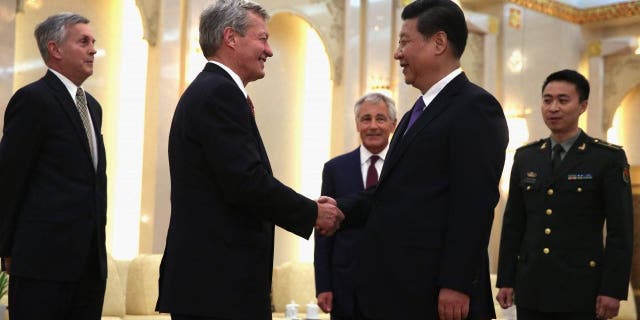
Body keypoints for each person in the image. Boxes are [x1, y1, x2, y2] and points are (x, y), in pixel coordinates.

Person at [155, 1, 343, 319]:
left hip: (215, 283)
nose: (269, 50)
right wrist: (312, 212)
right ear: (231, 37)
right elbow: (245, 182)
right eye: (262, 38)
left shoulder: (214, 90)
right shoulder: (219, 93)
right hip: (218, 286)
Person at [326, 1, 509, 319]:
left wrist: (456, 283)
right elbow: (394, 194)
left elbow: (474, 203)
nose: (398, 53)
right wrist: (341, 209)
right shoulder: (414, 115)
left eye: (404, 41)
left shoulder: (475, 108)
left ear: (438, 42)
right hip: (399, 292)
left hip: (436, 294)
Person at [496, 69, 634, 320]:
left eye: (563, 100)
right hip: (531, 288)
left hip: (580, 290)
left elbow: (620, 231)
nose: (553, 108)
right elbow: (514, 224)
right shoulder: (527, 156)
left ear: (582, 106)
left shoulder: (606, 158)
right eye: (547, 100)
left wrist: (612, 290)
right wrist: (506, 278)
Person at [0, 13, 107, 320]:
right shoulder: (32, 100)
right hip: (42, 263)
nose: (93, 50)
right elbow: (9, 177)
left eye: (93, 42)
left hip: (90, 264)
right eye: (83, 42)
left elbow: (93, 180)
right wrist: (8, 248)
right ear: (55, 49)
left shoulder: (93, 107)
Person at [314, 93, 397, 320]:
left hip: (395, 283)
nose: (372, 126)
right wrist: (323, 285)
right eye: (365, 119)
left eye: (380, 119)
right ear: (357, 124)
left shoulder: (403, 169)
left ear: (393, 125)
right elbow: (323, 230)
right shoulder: (334, 169)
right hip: (346, 286)